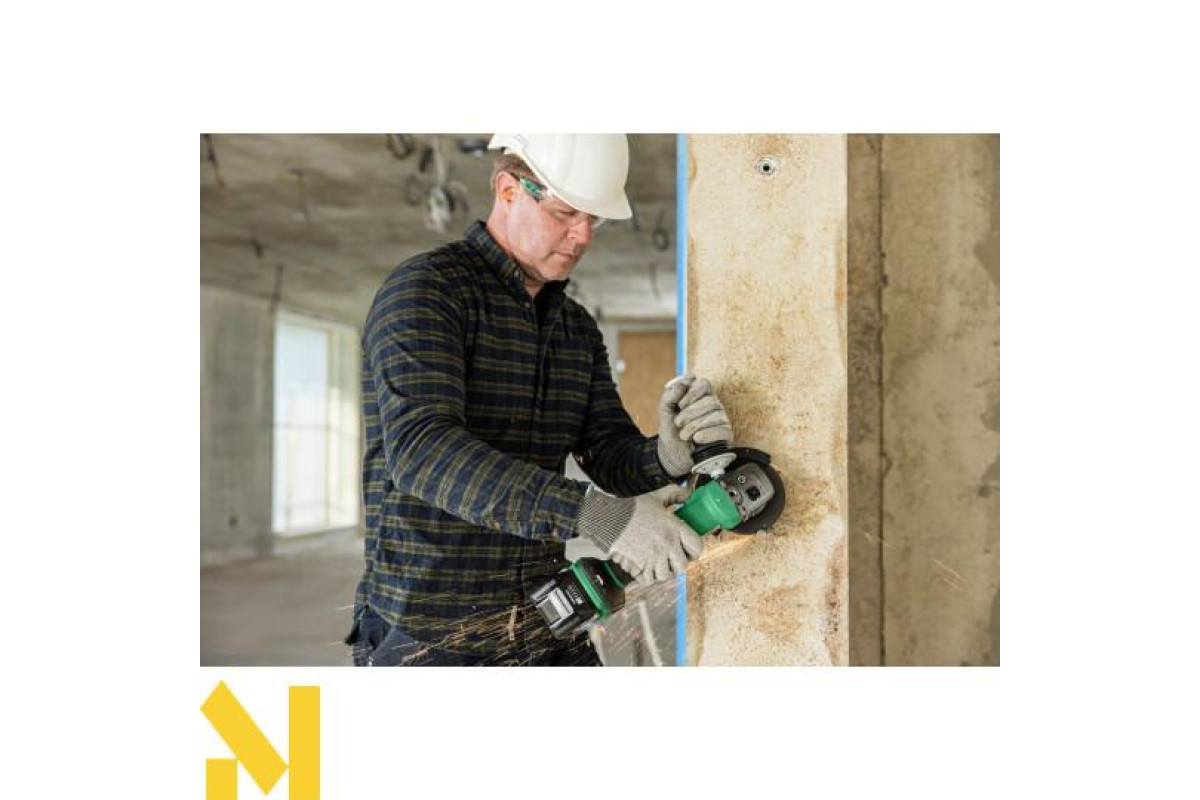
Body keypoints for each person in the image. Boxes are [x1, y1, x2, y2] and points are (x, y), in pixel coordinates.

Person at [345, 134, 733, 666]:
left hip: (545, 618)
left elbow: (607, 452)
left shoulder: (574, 329)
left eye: (593, 219)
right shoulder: (427, 291)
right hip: (429, 632)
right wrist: (599, 517)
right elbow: (423, 453)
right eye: (565, 212)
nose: (582, 235)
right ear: (508, 190)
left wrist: (665, 455)